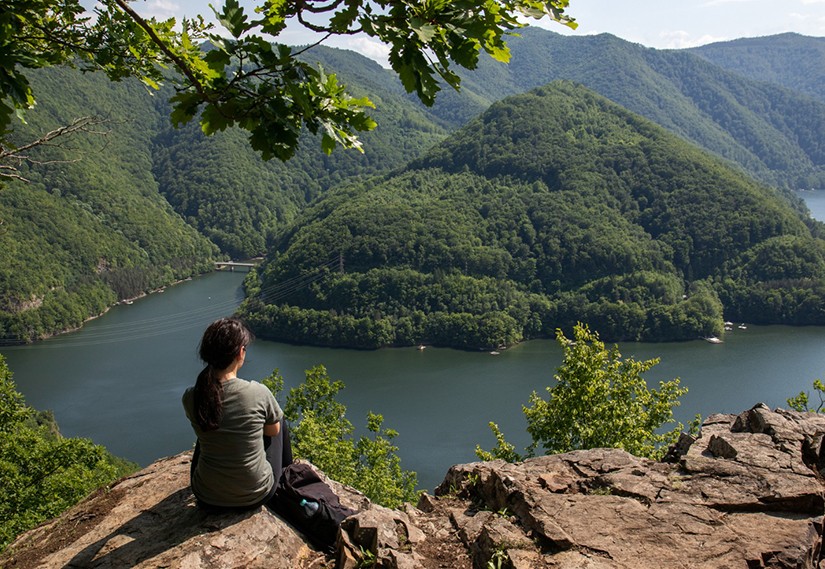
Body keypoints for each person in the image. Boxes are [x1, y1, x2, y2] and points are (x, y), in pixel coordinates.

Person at [182, 317, 292, 510]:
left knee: (208, 427)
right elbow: (273, 432)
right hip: (256, 494)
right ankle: (288, 474)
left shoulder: (191, 396)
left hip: (206, 496)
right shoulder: (257, 392)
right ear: (240, 352)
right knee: (278, 421)